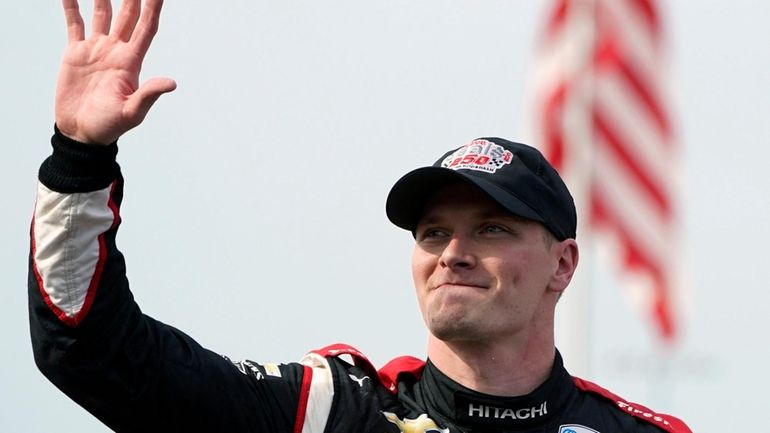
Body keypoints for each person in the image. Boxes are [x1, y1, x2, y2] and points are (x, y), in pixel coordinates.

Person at [29, 1, 692, 432]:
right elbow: (93, 351)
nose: (452, 251)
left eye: (491, 228)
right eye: (433, 231)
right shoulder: (329, 412)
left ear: (563, 263)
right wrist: (80, 159)